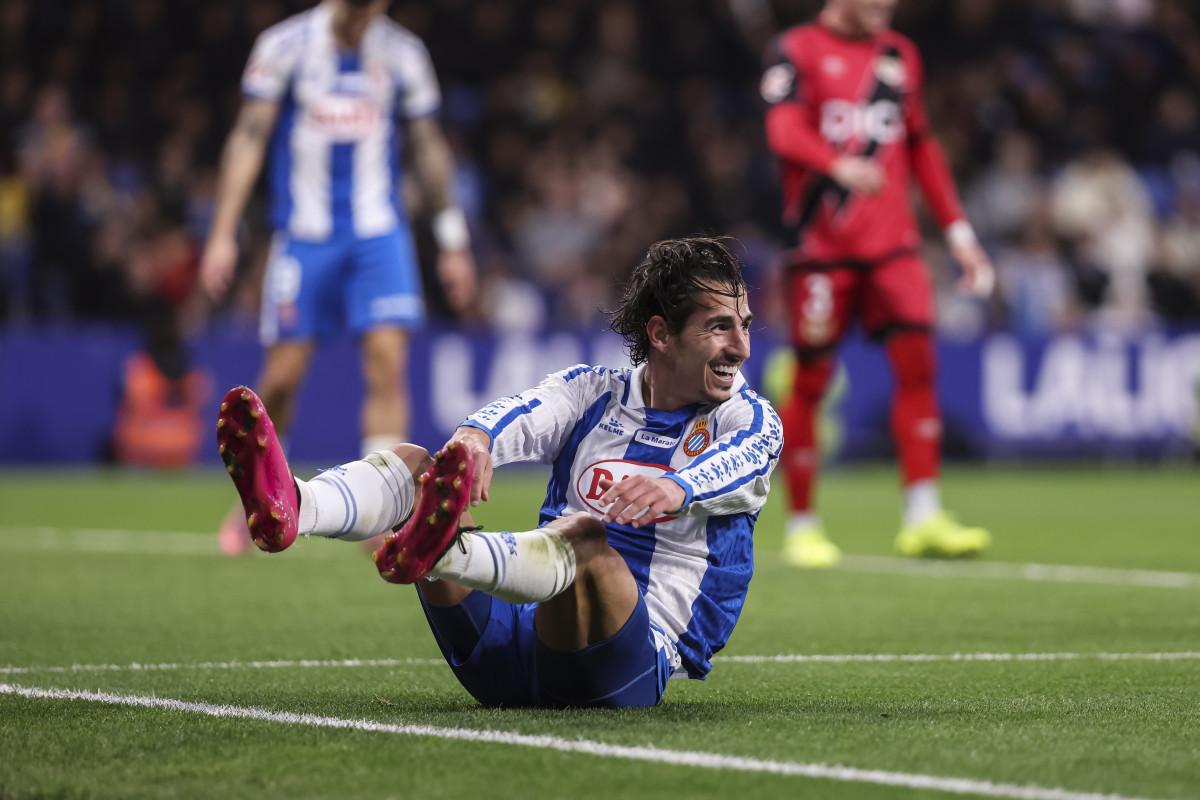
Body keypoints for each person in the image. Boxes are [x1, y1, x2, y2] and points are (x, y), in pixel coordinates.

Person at [215, 236, 782, 708]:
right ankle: (297, 506)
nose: (741, 347)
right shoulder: (595, 392)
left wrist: (678, 484)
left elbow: (748, 460)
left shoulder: (744, 416)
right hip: (506, 649)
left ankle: (441, 553)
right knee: (420, 467)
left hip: (621, 669)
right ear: (661, 334)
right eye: (720, 327)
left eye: (745, 325)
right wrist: (476, 438)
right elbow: (523, 411)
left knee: (584, 537)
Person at [199, 0, 476, 555]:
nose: (360, 19)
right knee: (280, 377)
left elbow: (428, 149)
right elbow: (249, 137)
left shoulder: (403, 53)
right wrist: (223, 230)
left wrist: (452, 242)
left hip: (380, 236)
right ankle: (257, 495)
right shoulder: (284, 46)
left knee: (387, 364)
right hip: (304, 237)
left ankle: (385, 509)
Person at [760, 0, 994, 568]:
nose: (888, 6)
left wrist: (959, 232)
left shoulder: (897, 53)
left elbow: (921, 145)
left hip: (895, 247)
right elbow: (782, 130)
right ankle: (803, 524)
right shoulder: (795, 51)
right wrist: (835, 165)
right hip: (822, 249)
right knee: (810, 381)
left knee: (919, 370)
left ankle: (923, 516)